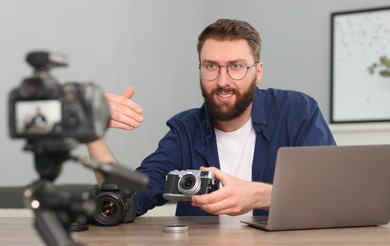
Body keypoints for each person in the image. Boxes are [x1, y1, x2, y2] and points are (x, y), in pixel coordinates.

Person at [87, 18, 336, 217]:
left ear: (258, 72)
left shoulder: (297, 112)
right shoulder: (185, 130)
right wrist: (92, 135)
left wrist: (262, 196)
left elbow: (332, 194)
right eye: (211, 66)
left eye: (236, 66)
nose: (223, 81)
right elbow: (128, 200)